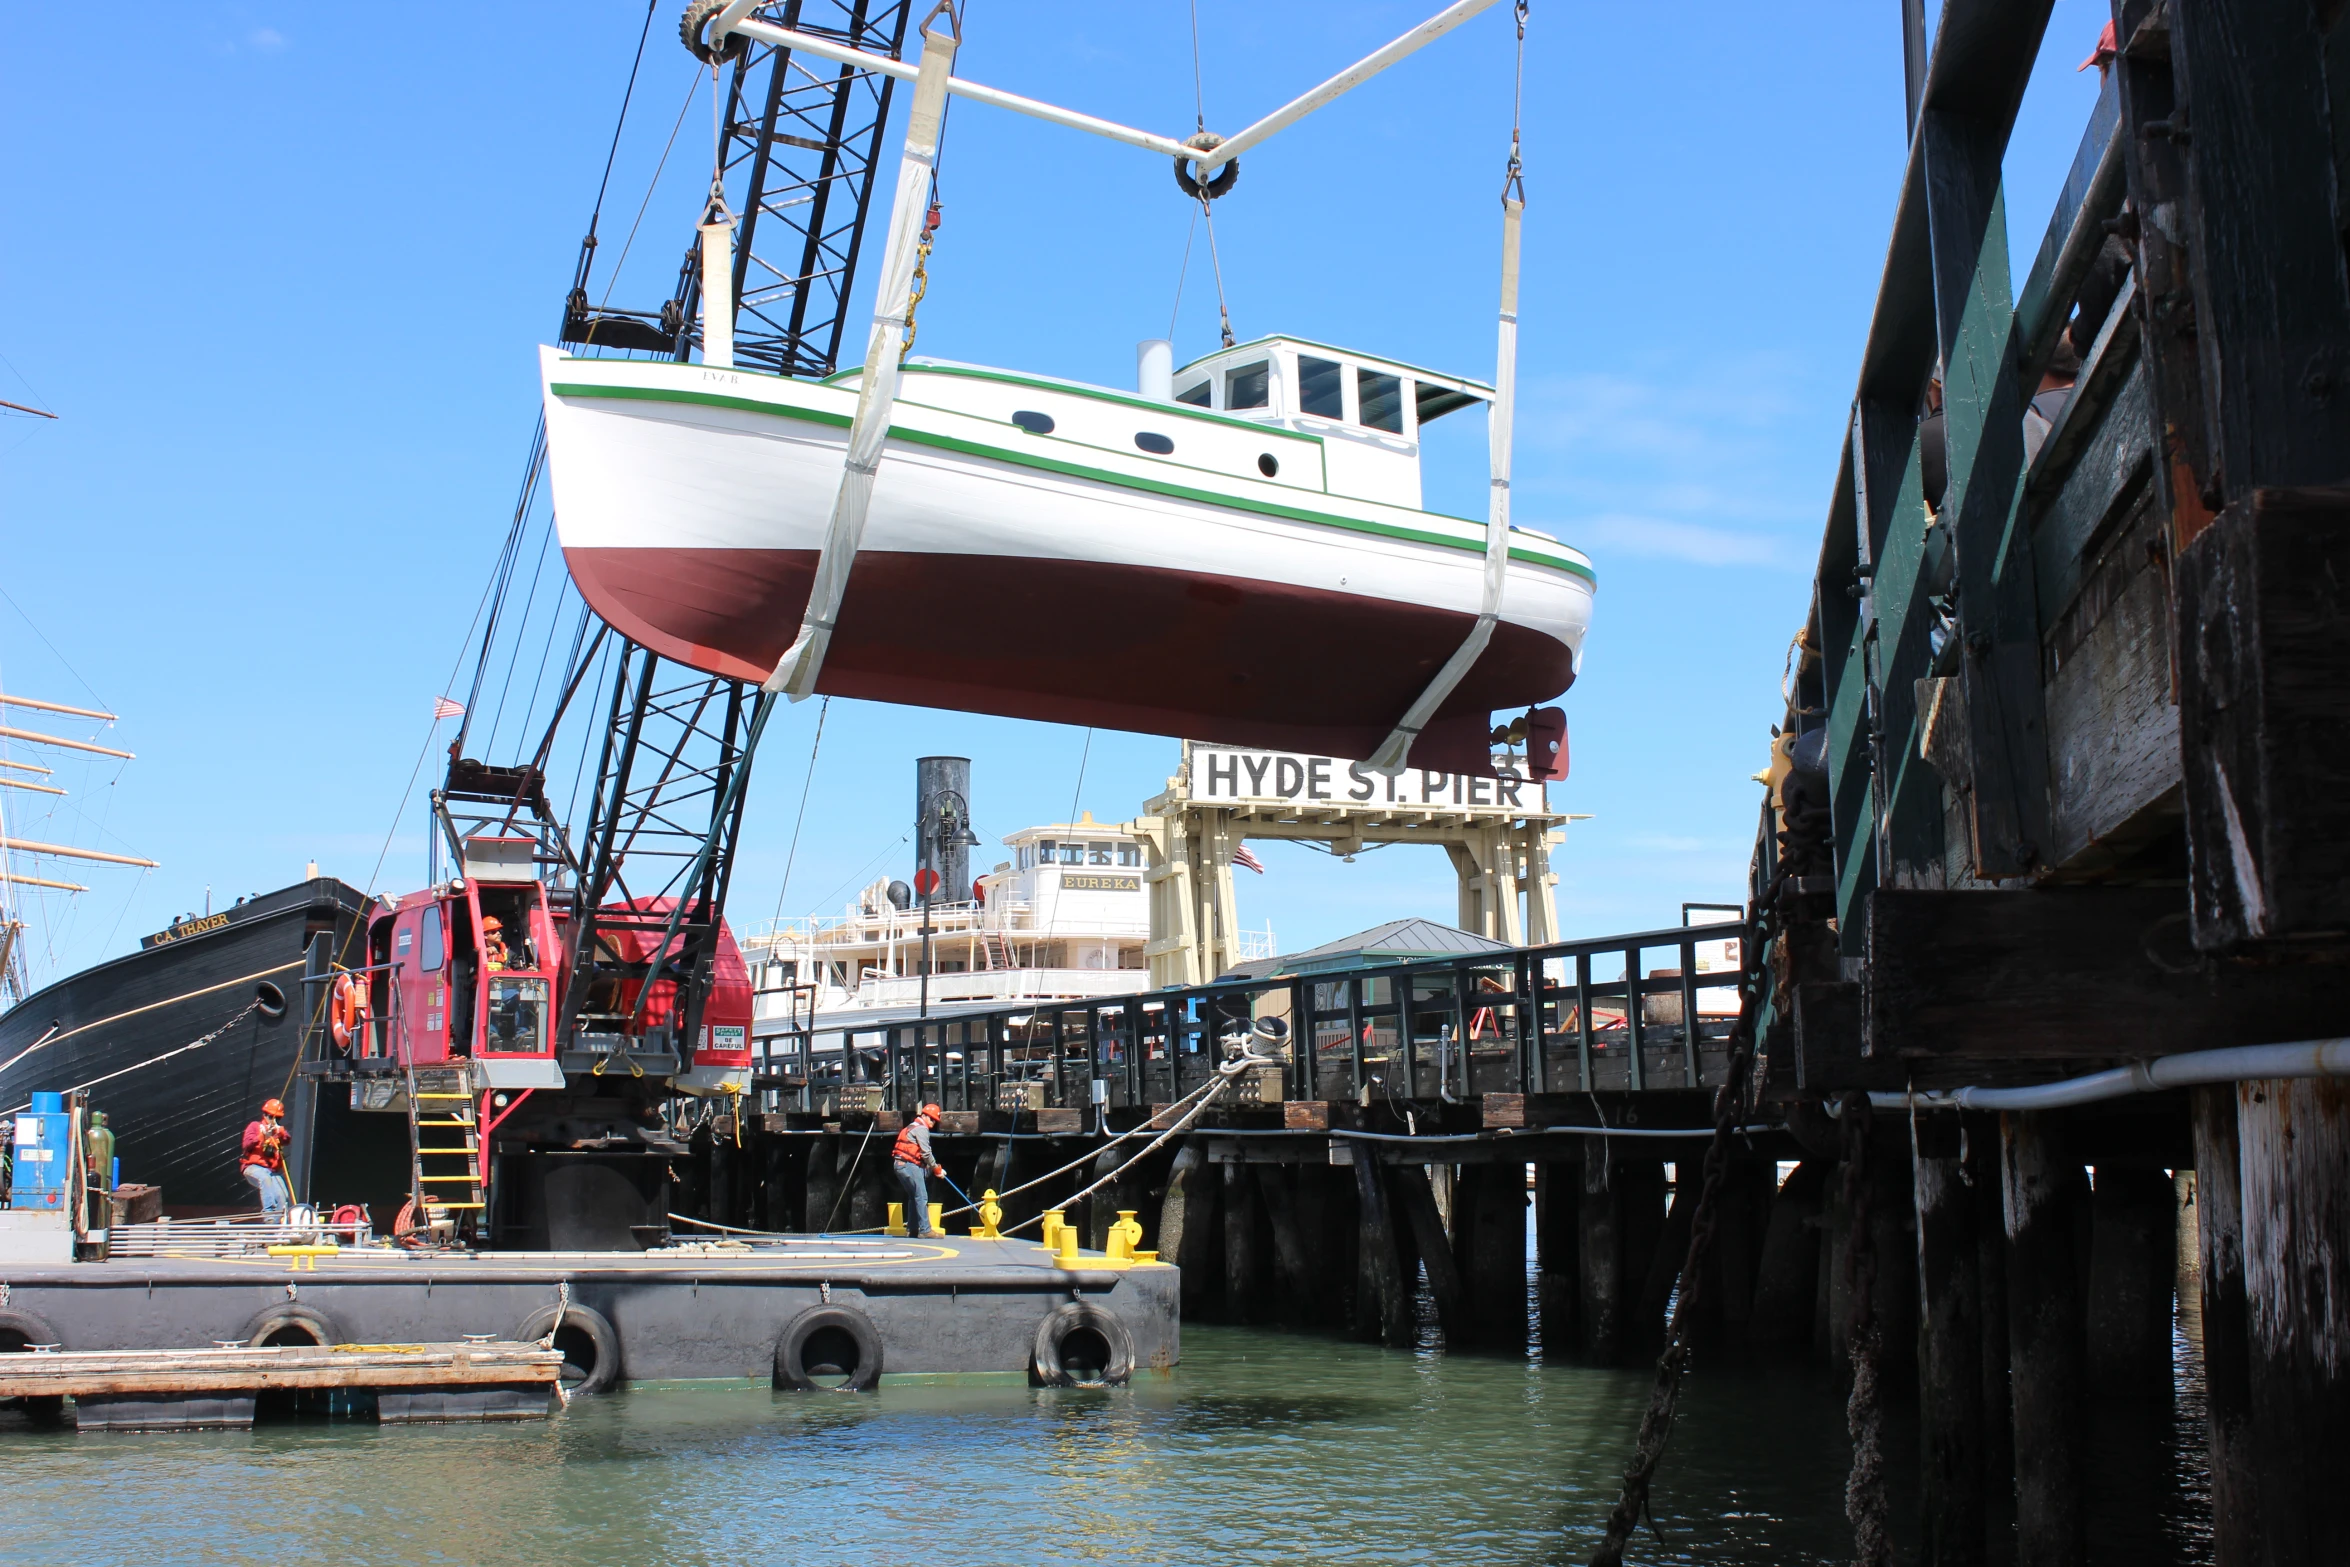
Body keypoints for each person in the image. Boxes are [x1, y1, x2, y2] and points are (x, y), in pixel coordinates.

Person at [890, 1102, 948, 1237]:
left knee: (913, 1196)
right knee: (922, 1196)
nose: (933, 1123)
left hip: (899, 1166)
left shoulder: (910, 1127)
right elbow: (926, 1153)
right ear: (925, 1116)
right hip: (909, 1165)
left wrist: (933, 1168)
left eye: (935, 1120)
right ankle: (925, 1230)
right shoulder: (922, 1129)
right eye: (932, 1119)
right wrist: (936, 1169)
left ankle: (912, 1229)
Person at [240, 1098, 290, 1214]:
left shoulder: (278, 1132)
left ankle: (277, 1226)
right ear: (264, 1114)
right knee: (264, 1179)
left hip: (271, 1171)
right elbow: (246, 1144)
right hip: (253, 1167)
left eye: (277, 1118)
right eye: (271, 1117)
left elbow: (287, 1140)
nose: (273, 1120)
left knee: (283, 1196)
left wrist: (280, 1132)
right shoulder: (254, 1126)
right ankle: (269, 1213)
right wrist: (261, 1136)